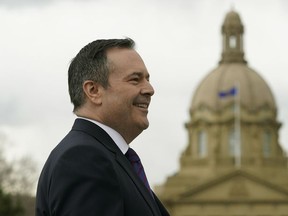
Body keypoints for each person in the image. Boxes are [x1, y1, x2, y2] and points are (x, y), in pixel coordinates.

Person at [35, 38, 170, 216]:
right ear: (93, 91)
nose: (150, 89)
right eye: (135, 80)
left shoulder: (105, 157)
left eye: (147, 79)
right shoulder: (84, 158)